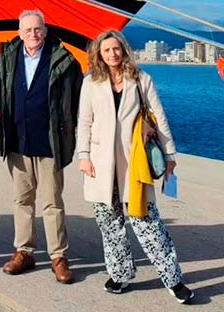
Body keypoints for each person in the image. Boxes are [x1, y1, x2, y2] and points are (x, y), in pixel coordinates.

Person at [76, 30, 194, 303]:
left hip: (134, 164)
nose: (112, 54)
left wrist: (169, 154)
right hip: (100, 164)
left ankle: (173, 279)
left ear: (123, 49)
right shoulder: (91, 82)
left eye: (116, 49)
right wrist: (84, 155)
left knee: (149, 224)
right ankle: (120, 275)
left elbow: (159, 117)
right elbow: (83, 120)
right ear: (99, 54)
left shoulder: (141, 79)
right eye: (106, 50)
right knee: (110, 224)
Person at [0, 10, 82, 284]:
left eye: (38, 29)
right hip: (17, 140)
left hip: (49, 142)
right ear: (19, 32)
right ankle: (24, 251)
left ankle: (58, 256)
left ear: (45, 30)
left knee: (52, 201)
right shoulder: (7, 57)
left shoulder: (63, 59)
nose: (33, 34)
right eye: (28, 29)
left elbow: (76, 97)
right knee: (22, 200)